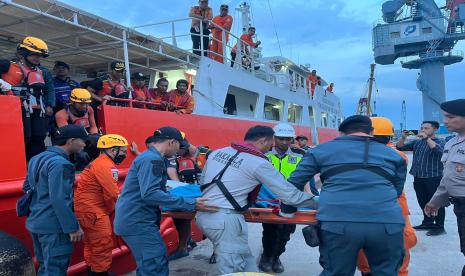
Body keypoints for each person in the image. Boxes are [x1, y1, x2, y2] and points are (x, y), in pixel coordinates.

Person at [288, 115, 407, 276]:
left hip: (337, 222)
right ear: (371, 132)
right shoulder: (394, 155)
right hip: (386, 223)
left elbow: (294, 182)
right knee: (386, 271)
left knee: (336, 272)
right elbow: (397, 190)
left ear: (341, 133)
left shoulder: (320, 151)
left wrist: (287, 208)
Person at [196, 125, 319, 274]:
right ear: (263, 140)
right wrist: (320, 202)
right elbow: (290, 195)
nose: (272, 146)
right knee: (234, 269)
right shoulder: (259, 162)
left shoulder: (218, 153)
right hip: (226, 219)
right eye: (272, 142)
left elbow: (202, 182)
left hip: (205, 214)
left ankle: (269, 259)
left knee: (246, 262)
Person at [113, 126, 218, 276]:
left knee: (150, 264)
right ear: (172, 142)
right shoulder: (153, 159)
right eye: (179, 146)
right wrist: (191, 203)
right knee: (155, 266)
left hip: (135, 220)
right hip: (138, 222)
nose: (178, 150)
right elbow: (150, 194)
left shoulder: (149, 157)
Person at [357, 117, 417, 276]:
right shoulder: (398, 155)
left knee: (365, 241)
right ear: (390, 137)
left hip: (365, 206)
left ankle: (368, 270)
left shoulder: (356, 153)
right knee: (401, 240)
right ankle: (399, 271)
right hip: (396, 206)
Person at [24, 125, 88, 275]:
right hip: (54, 227)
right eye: (83, 140)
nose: (85, 144)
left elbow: (26, 186)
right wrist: (72, 227)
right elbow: (60, 199)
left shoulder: (35, 158)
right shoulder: (62, 164)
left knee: (45, 266)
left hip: (36, 221)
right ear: (71, 141)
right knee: (55, 270)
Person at [75, 134, 128, 276]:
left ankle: (93, 270)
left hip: (87, 211)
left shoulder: (98, 163)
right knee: (102, 244)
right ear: (112, 150)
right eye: (123, 151)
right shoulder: (106, 166)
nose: (124, 155)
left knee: (92, 245)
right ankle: (100, 272)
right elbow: (113, 194)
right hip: (94, 212)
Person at [258, 123, 307, 273]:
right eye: (281, 139)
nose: (285, 142)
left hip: (291, 201)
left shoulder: (299, 157)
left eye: (288, 139)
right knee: (270, 230)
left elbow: (306, 180)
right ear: (274, 138)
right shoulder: (263, 156)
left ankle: (277, 256)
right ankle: (266, 256)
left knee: (286, 233)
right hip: (269, 202)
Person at [425, 99, 465, 275]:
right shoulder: (451, 143)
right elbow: (448, 177)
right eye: (445, 117)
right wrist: (436, 201)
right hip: (460, 206)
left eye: (450, 117)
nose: (445, 121)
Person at [0, 36, 55, 161]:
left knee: (39, 137)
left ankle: (32, 165)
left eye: (39, 55)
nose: (37, 58)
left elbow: (49, 89)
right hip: (15, 110)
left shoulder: (43, 72)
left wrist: (50, 105)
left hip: (37, 109)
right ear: (23, 53)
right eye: (34, 54)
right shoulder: (7, 66)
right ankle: (14, 163)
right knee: (24, 137)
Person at [396, 121, 446, 236]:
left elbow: (440, 152)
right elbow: (399, 147)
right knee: (422, 201)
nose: (423, 130)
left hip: (433, 177)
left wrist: (427, 139)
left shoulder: (441, 142)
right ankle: (427, 222)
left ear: (435, 129)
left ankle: (439, 226)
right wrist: (403, 137)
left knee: (436, 202)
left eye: (427, 128)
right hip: (418, 176)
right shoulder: (417, 142)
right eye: (422, 128)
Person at [55, 88, 99, 170]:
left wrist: (95, 138)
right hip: (69, 141)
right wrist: (79, 151)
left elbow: (93, 127)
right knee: (79, 154)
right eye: (81, 104)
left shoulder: (89, 109)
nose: (85, 106)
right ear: (73, 102)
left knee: (98, 139)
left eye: (87, 103)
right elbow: (67, 135)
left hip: (84, 137)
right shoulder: (61, 114)